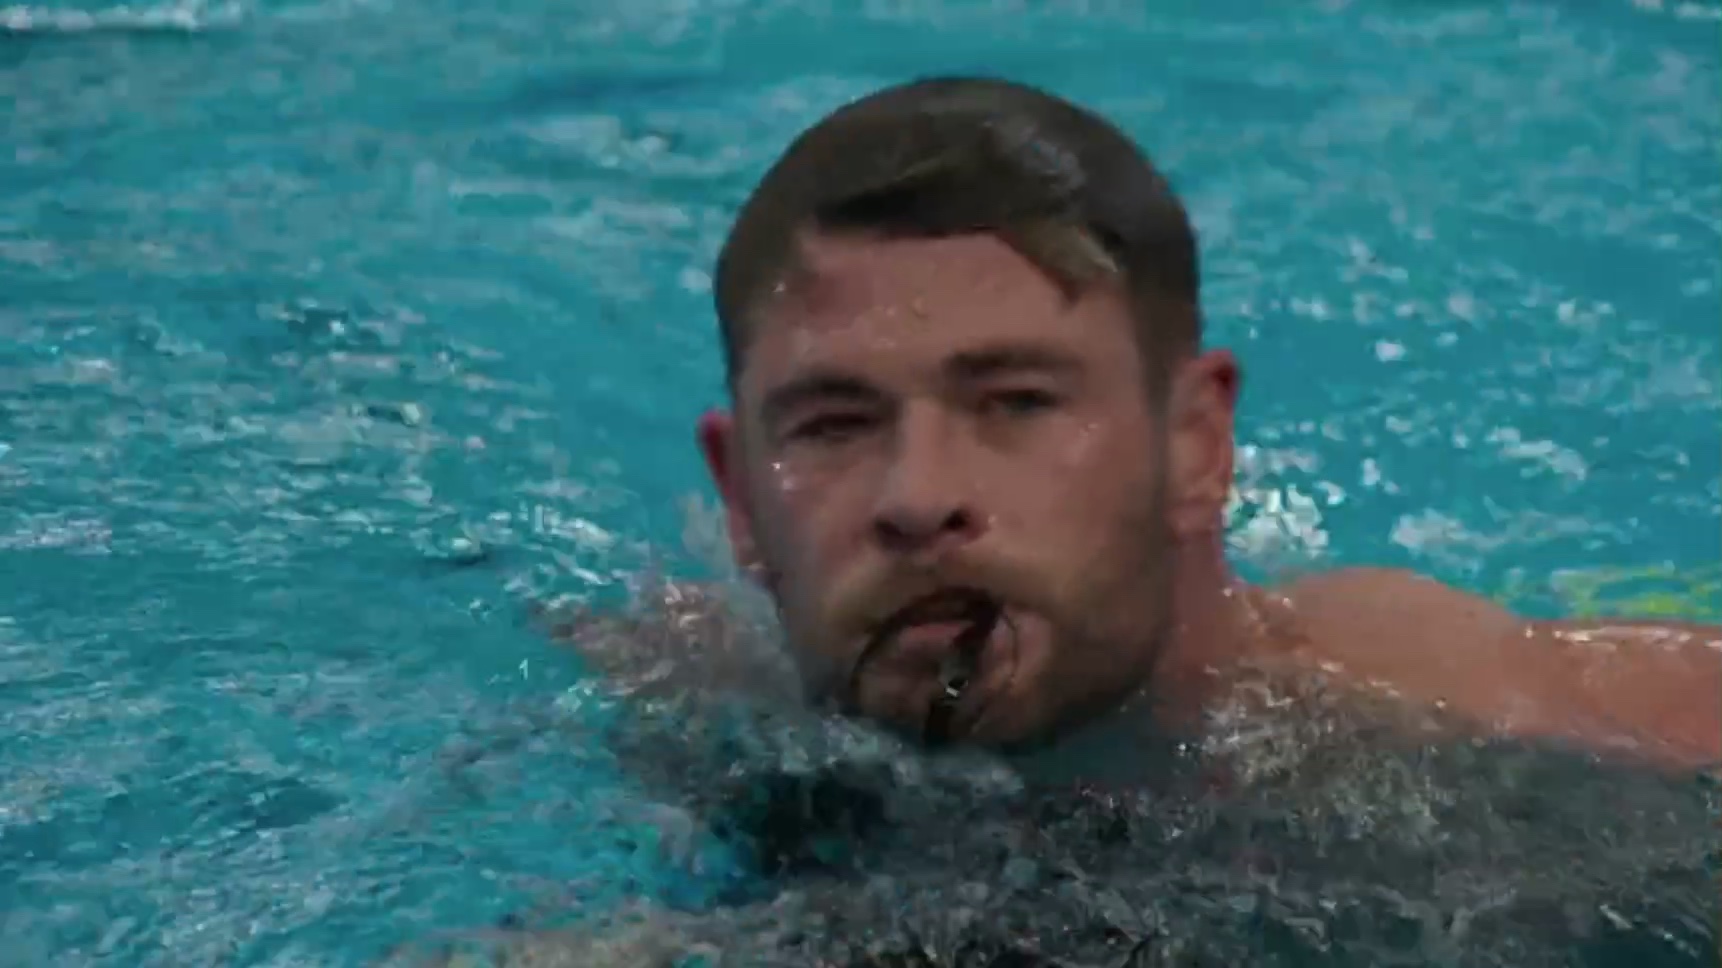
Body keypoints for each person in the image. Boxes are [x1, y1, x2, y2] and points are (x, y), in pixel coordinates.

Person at [688, 75, 1720, 772]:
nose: (917, 496)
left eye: (1017, 403)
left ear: (1195, 444)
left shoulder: (1465, 726)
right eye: (833, 424)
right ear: (739, 495)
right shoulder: (697, 711)